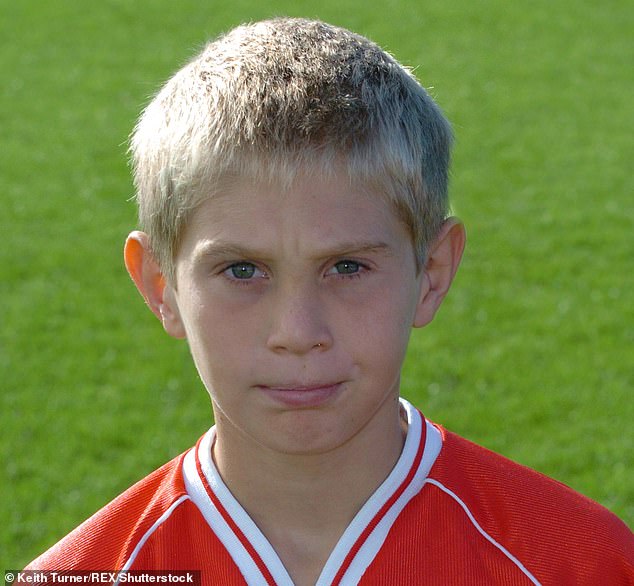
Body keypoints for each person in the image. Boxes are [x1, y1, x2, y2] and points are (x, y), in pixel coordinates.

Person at [26, 17, 633, 585]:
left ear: (433, 271)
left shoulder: (582, 562)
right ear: (161, 286)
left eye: (347, 266)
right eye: (242, 270)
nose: (297, 330)